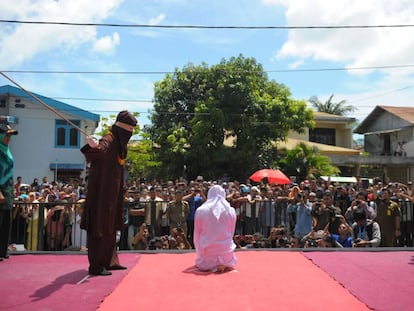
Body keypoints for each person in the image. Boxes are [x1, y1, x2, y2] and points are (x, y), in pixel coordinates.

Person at [80, 110, 137, 276]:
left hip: (113, 195)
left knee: (111, 229)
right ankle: (97, 265)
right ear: (121, 130)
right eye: (128, 131)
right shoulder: (109, 139)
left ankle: (110, 261)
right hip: (101, 195)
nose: (129, 135)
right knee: (100, 227)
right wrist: (93, 145)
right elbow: (99, 149)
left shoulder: (119, 145)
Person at [194, 185, 238, 272]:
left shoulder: (201, 210)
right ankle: (223, 263)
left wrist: (200, 253)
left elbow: (197, 235)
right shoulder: (231, 211)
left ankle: (211, 263)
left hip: (207, 254)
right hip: (226, 253)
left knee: (203, 262)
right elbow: (231, 232)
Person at [0, 121, 18, 261]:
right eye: (6, 135)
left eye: (10, 136)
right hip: (0, 189)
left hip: (8, 189)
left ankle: (3, 251)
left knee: (6, 222)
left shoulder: (7, 150)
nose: (8, 138)